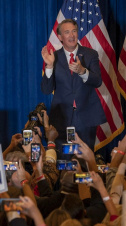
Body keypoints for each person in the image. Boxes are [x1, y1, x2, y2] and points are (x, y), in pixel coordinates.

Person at [41, 19, 106, 152]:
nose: (71, 35)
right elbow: (46, 90)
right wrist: (49, 66)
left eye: (74, 31)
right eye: (67, 32)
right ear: (60, 37)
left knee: (85, 160)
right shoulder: (54, 57)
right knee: (63, 160)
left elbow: (98, 81)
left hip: (86, 118)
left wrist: (82, 71)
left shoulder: (90, 54)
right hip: (61, 119)